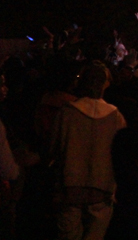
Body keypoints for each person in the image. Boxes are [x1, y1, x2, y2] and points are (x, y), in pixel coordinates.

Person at [50, 62, 127, 240]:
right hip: (102, 192)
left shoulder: (67, 113)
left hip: (70, 192)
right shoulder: (116, 117)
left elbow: (52, 148)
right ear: (104, 84)